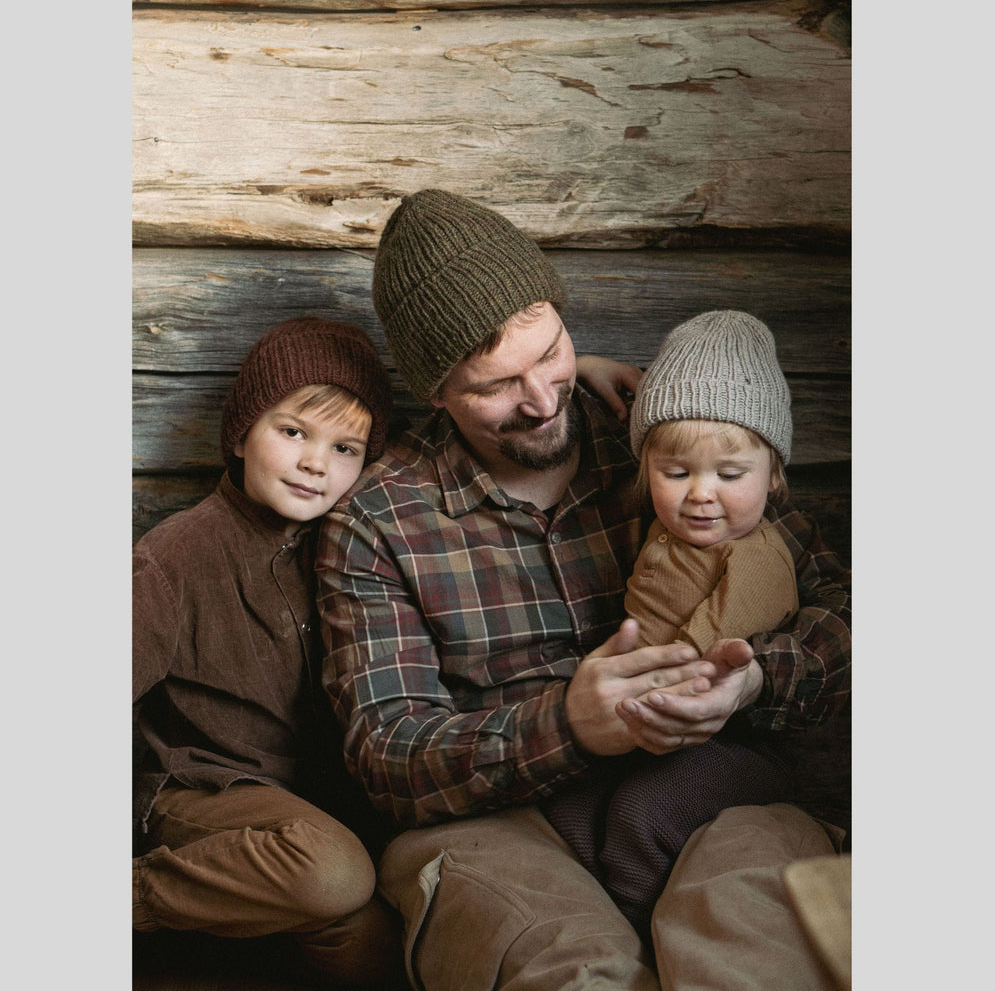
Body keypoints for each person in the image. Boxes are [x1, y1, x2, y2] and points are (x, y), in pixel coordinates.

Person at [316, 189, 852, 990]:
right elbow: (387, 753)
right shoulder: (379, 520)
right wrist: (565, 725)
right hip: (498, 824)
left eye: (551, 352)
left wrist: (754, 680)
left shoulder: (667, 439)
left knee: (749, 943)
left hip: (712, 793)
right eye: (496, 385)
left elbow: (845, 616)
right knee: (572, 968)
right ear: (433, 393)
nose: (540, 400)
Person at [132, 317, 407, 989]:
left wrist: (582, 372)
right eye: (293, 432)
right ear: (242, 432)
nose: (317, 463)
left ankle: (237, 945)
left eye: (346, 448)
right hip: (197, 793)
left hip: (303, 812)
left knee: (380, 943)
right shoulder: (179, 552)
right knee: (334, 872)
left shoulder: (348, 546)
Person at [543, 309, 824, 933]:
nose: (701, 493)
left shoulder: (754, 554)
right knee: (570, 808)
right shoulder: (665, 529)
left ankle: (644, 928)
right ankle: (609, 929)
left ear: (774, 474)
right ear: (646, 471)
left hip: (732, 736)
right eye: (677, 474)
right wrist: (580, 369)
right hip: (644, 721)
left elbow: (716, 645)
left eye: (730, 475)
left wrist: (682, 684)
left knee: (646, 814)